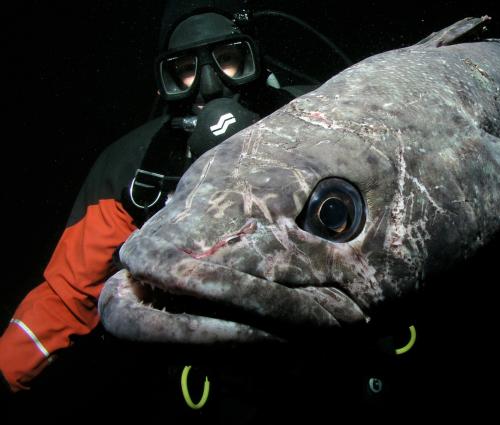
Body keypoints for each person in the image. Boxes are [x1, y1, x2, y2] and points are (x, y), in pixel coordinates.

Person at [0, 6, 298, 395]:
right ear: (166, 79)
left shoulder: (324, 110)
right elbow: (66, 296)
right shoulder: (130, 170)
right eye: (187, 69)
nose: (210, 86)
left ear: (252, 59)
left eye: (228, 60)